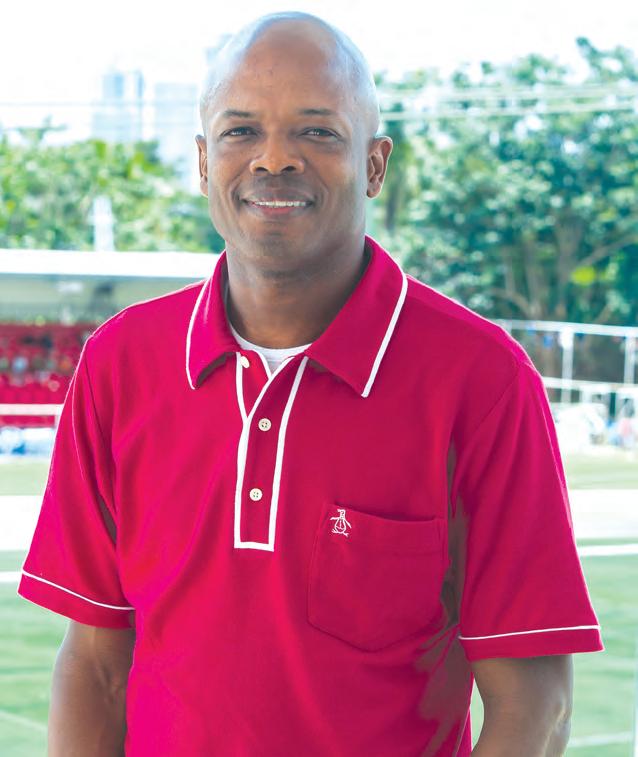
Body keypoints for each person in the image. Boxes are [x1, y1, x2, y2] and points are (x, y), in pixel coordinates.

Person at [19, 12, 602, 757]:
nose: (273, 159)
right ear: (203, 161)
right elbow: (95, 668)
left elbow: (536, 709)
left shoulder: (482, 381)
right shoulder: (119, 364)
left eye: (318, 131)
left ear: (375, 165)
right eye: (240, 131)